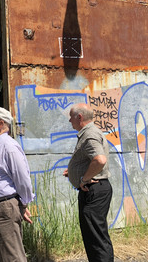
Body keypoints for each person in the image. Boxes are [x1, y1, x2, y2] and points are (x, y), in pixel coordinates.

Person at [0, 106, 34, 262]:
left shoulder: (8, 146)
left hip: (4, 207)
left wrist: (23, 203)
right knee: (3, 256)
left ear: (0, 123)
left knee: (12, 256)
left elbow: (23, 179)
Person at [63, 103, 114, 262]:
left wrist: (84, 178)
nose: (69, 121)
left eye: (71, 117)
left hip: (93, 190)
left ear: (79, 117)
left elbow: (99, 160)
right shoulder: (89, 133)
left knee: (96, 238)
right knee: (94, 236)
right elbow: (91, 160)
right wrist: (73, 172)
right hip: (93, 189)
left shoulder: (89, 134)